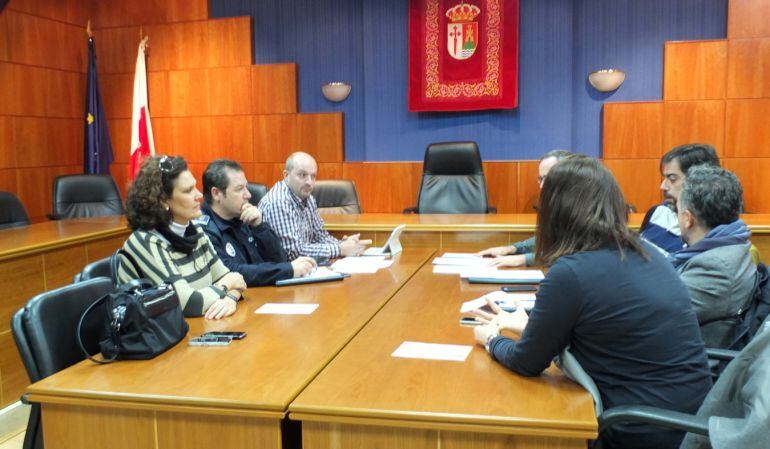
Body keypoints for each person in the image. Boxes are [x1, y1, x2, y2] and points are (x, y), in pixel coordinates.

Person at [470, 156, 711, 449]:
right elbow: (606, 322)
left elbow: (527, 362)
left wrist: (492, 340)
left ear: (555, 211)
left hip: (639, 429)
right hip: (690, 420)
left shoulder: (571, 272)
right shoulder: (647, 253)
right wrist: (533, 326)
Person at [119, 155, 246, 320]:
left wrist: (230, 298)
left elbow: (237, 280)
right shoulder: (145, 242)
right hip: (159, 340)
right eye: (188, 190)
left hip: (200, 328)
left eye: (195, 187)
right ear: (163, 200)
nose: (199, 195)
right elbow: (188, 303)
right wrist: (225, 287)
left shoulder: (196, 232)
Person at [670, 166, 756, 348]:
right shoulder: (735, 244)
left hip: (685, 367)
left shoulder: (714, 267)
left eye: (676, 209)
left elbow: (654, 313)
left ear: (687, 219)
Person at [199, 159, 317, 286]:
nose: (248, 195)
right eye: (239, 189)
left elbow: (280, 260)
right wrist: (288, 270)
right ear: (216, 194)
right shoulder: (203, 230)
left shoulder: (243, 216)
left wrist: (260, 227)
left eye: (246, 187)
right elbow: (231, 272)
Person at [259, 151, 371, 259]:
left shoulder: (308, 198)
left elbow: (320, 236)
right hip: (279, 273)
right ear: (286, 175)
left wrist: (345, 244)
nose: (309, 182)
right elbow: (294, 252)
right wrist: (340, 249)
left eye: (313, 176)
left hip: (302, 268)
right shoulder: (279, 202)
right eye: (302, 175)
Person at [476, 149, 571, 266]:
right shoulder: (558, 203)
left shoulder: (581, 207)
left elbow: (572, 252)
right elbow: (551, 241)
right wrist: (512, 249)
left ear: (568, 175)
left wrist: (524, 259)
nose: (542, 186)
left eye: (548, 178)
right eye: (540, 179)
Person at [641, 143, 720, 253]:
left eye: (672, 179)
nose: (663, 187)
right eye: (665, 178)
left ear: (698, 181)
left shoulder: (713, 233)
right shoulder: (657, 212)